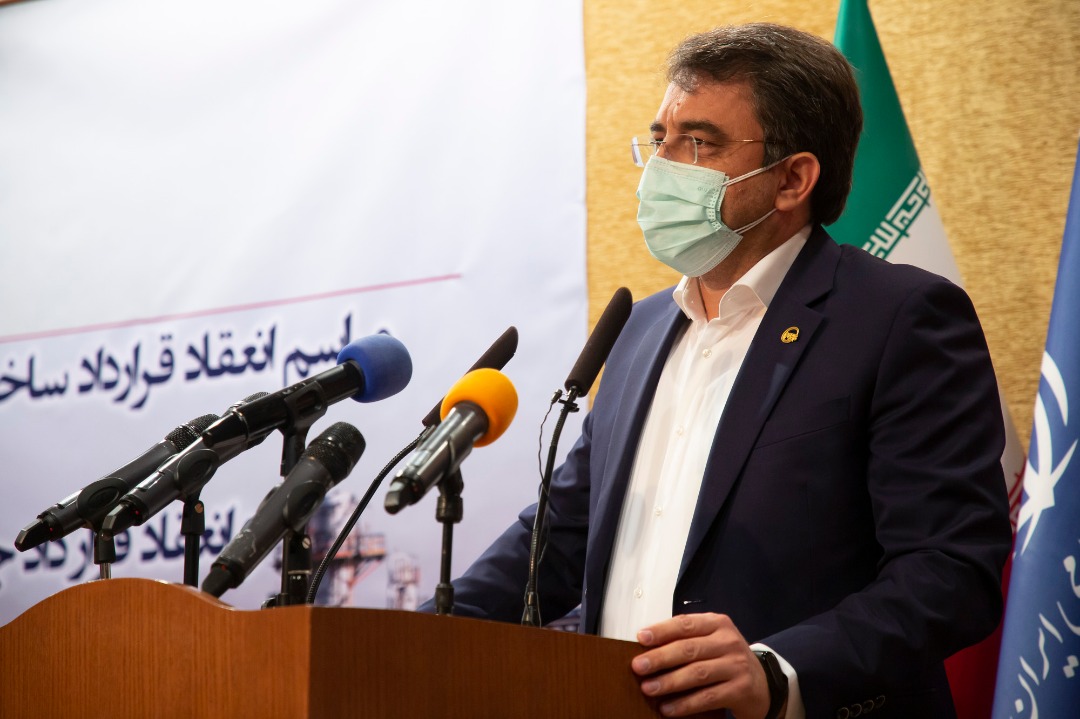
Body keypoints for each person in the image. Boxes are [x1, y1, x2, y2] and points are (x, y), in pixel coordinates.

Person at [432, 23, 1012, 718]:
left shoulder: (897, 318)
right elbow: (561, 538)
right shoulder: (639, 329)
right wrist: (408, 636)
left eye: (698, 143)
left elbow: (950, 571)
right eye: (660, 139)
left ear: (792, 178)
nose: (661, 167)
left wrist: (779, 671)